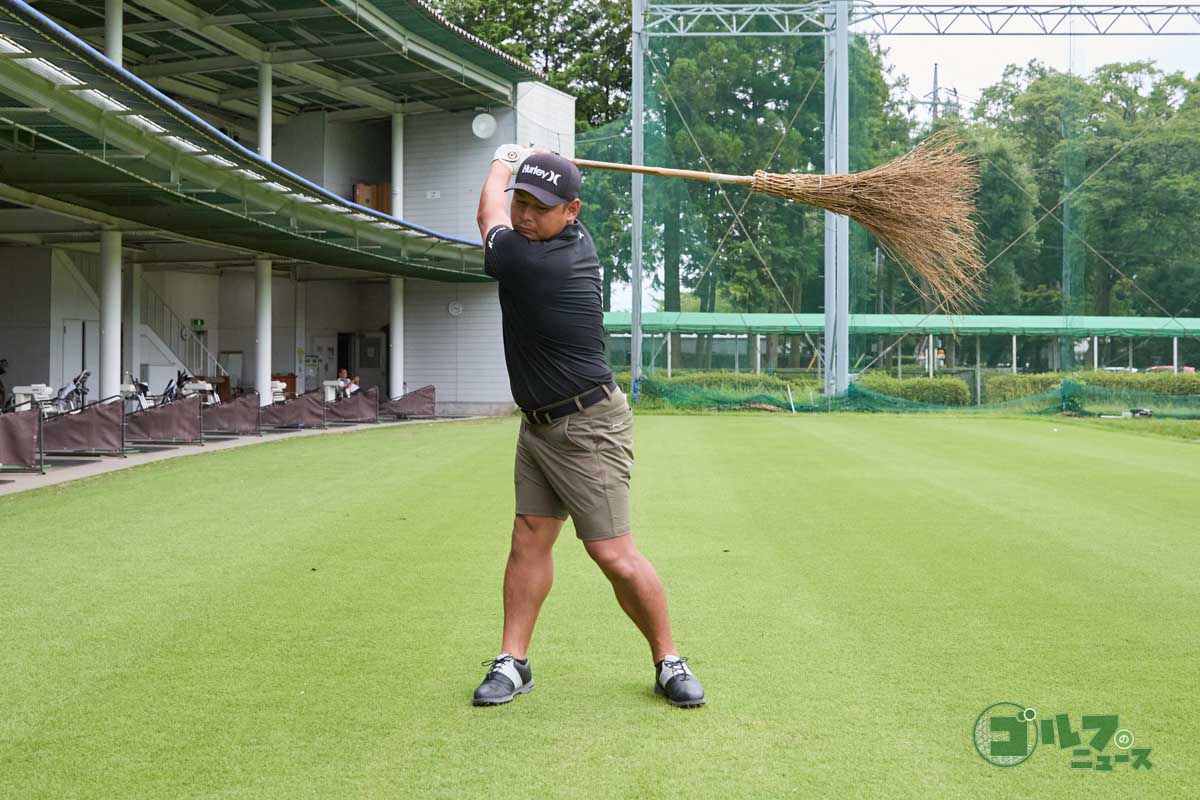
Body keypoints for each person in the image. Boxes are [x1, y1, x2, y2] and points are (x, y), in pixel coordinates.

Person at [471, 145, 705, 709]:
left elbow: (486, 217)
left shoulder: (536, 262)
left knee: (612, 554)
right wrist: (527, 170)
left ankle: (669, 659)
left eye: (540, 206)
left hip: (586, 426)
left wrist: (503, 160)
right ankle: (513, 661)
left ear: (571, 211)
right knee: (529, 536)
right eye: (520, 201)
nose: (525, 215)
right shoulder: (563, 239)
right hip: (539, 426)